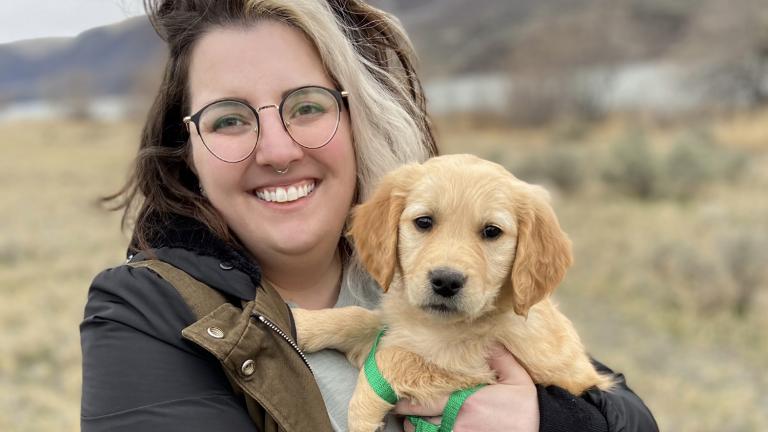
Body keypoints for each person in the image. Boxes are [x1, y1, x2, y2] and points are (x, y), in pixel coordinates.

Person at [80, 0, 659, 431]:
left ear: (361, 117)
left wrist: (549, 421)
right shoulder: (142, 312)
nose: (278, 150)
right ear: (188, 151)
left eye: (307, 106)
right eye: (228, 118)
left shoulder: (410, 262)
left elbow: (623, 410)